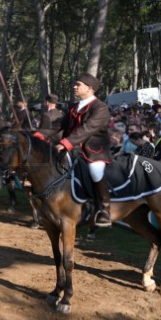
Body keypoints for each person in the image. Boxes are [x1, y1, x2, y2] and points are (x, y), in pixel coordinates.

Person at [39, 73, 113, 227]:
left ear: (90, 88)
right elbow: (58, 125)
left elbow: (88, 129)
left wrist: (66, 143)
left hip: (95, 150)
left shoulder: (100, 107)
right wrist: (38, 135)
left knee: (95, 170)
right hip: (74, 149)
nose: (74, 87)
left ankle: (104, 209)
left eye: (78, 84)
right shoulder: (74, 107)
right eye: (75, 84)